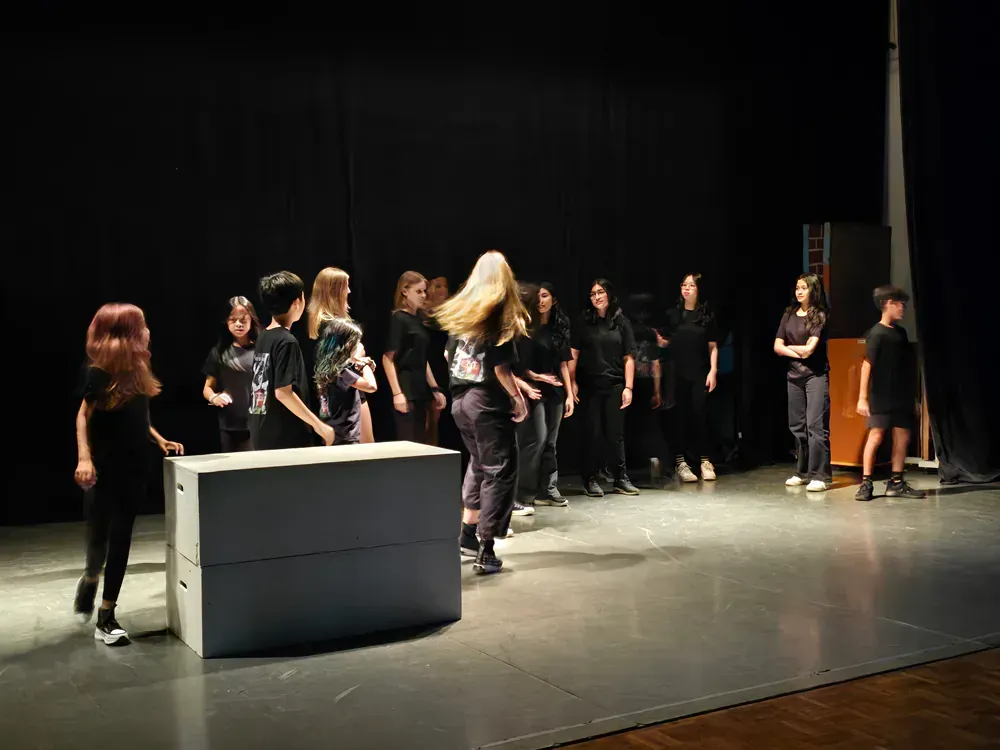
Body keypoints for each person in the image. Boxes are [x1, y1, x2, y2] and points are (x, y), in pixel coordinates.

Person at [73, 303, 184, 646]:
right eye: (142, 325)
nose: (148, 330)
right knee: (98, 539)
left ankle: (107, 614)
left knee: (122, 534)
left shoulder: (138, 366)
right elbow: (82, 417)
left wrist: (158, 437)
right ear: (125, 332)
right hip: (104, 466)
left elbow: (139, 415)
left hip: (135, 464)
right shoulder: (97, 373)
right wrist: (84, 458)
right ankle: (91, 576)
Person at [435, 250, 528, 575]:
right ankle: (486, 549)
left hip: (461, 400)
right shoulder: (497, 313)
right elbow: (501, 368)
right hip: (486, 403)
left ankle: (468, 535)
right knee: (501, 470)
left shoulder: (464, 314)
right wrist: (517, 397)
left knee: (479, 464)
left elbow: (449, 358)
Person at [570, 278, 640, 497]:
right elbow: (573, 354)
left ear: (609, 294)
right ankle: (590, 478)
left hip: (615, 385)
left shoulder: (621, 322)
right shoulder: (583, 322)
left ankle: (621, 478)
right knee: (592, 433)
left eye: (600, 292)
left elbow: (629, 358)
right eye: (592, 294)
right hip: (590, 385)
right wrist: (571, 382)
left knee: (615, 434)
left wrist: (628, 388)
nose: (597, 297)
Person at [249, 271, 334, 450]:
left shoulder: (264, 337)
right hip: (284, 437)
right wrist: (319, 426)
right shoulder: (286, 341)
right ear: (297, 302)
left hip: (262, 431)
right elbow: (283, 392)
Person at [855, 286, 926, 501]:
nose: (903, 309)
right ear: (888, 304)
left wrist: (914, 397)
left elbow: (905, 366)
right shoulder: (876, 333)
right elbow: (867, 364)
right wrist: (862, 397)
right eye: (900, 304)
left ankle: (896, 482)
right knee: (876, 436)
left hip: (901, 395)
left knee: (902, 437)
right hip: (881, 396)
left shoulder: (900, 333)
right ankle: (866, 483)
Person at [515, 282, 575, 508]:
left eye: (545, 296)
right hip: (533, 388)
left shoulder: (558, 328)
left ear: (554, 300)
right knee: (537, 439)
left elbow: (563, 364)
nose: (540, 300)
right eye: (538, 296)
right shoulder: (527, 328)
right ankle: (523, 492)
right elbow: (520, 365)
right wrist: (538, 377)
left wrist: (569, 394)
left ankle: (548, 489)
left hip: (555, 390)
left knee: (551, 442)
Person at [773, 273, 831, 491]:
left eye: (804, 288)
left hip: (815, 375)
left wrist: (789, 350)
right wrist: (798, 351)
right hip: (793, 376)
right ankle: (803, 472)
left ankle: (820, 475)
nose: (799, 291)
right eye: (797, 287)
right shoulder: (788, 314)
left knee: (816, 425)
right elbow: (776, 346)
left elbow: (810, 350)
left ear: (813, 290)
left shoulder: (819, 315)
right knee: (797, 425)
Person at [660, 274, 719, 482]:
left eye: (691, 285)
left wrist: (713, 371)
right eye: (684, 284)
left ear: (698, 290)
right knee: (679, 417)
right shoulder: (673, 315)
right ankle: (680, 462)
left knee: (700, 416)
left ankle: (705, 460)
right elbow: (666, 342)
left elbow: (713, 345)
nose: (687, 288)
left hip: (699, 371)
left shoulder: (706, 316)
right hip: (677, 373)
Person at [308, 267, 377, 443]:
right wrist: (360, 357)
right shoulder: (330, 324)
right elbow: (351, 354)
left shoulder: (327, 321)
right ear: (333, 290)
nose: (349, 291)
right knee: (361, 449)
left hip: (348, 391)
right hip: (344, 394)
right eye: (345, 286)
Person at [382, 271, 447, 442]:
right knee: (410, 443)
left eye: (424, 291)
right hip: (407, 391)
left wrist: (435, 389)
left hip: (421, 393)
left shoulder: (417, 319)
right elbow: (388, 358)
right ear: (405, 291)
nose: (423, 295)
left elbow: (422, 358)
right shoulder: (399, 318)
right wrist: (397, 393)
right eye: (419, 291)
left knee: (427, 442)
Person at [202, 296, 260, 452]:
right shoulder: (219, 352)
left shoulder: (261, 350)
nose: (238, 324)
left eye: (243, 319)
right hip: (230, 426)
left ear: (251, 320)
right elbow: (207, 388)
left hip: (258, 424)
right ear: (226, 322)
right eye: (233, 320)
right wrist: (215, 397)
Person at [625, 292, 669, 482]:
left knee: (627, 424)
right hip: (645, 381)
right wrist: (657, 390)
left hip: (629, 381)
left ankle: (622, 465)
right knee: (648, 423)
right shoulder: (651, 332)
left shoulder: (626, 329)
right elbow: (655, 363)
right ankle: (652, 458)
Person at [314, 317, 378, 445]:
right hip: (346, 436)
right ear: (349, 345)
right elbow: (371, 386)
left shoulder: (326, 370)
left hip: (333, 432)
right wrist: (363, 363)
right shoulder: (343, 373)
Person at [425, 276, 452, 446]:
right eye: (437, 286)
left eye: (445, 286)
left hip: (448, 372)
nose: (443, 290)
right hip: (431, 372)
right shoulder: (421, 318)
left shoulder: (451, 316)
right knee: (431, 427)